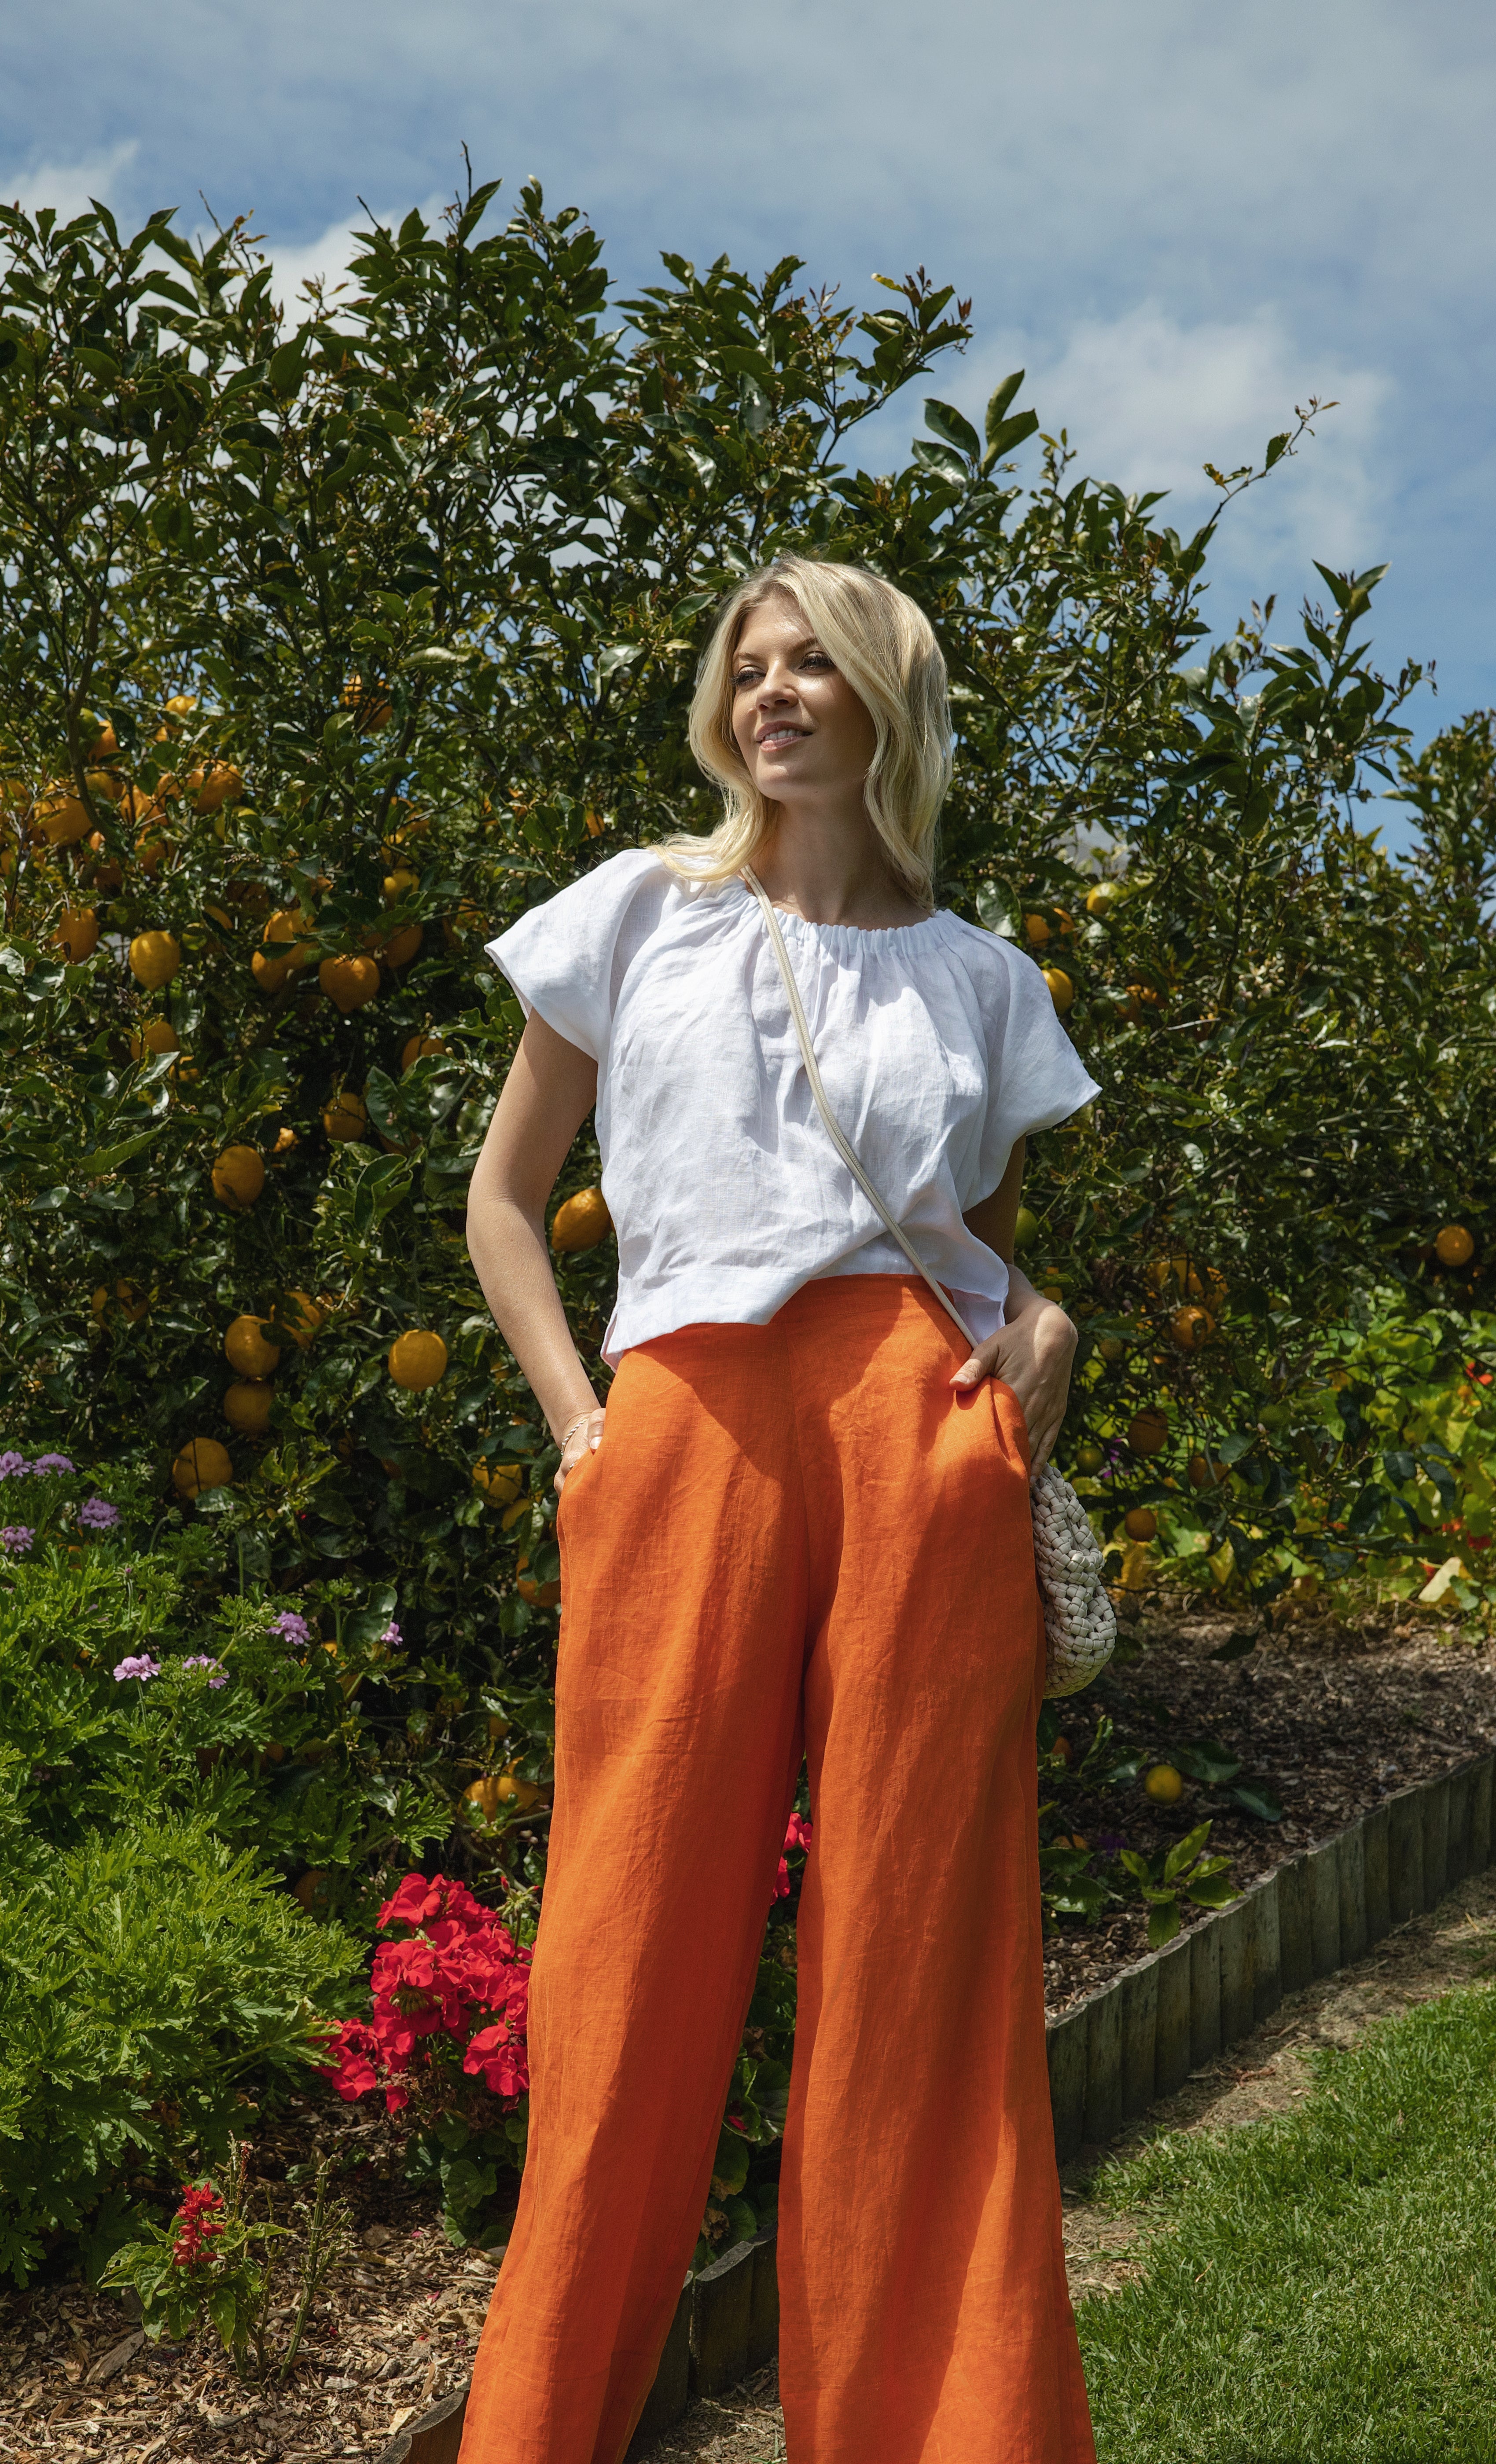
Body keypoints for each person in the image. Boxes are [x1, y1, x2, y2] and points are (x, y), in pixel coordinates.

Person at [459, 554, 1100, 2464]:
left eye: (816, 662)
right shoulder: (636, 912)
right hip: (681, 1431)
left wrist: (1048, 1330)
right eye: (750, 665)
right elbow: (505, 1203)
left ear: (888, 699)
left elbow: (977, 1257)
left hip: (923, 1443)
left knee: (922, 1964)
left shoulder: (984, 978)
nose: (775, 692)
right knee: (623, 1950)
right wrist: (582, 1424)